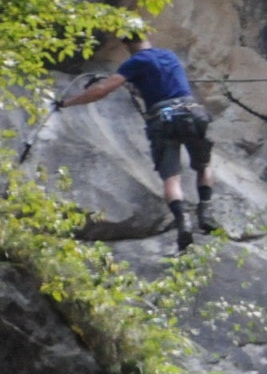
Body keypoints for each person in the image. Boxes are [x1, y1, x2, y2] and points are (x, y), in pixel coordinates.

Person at [55, 25, 215, 251]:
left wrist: (67, 102)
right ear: (146, 34)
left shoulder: (134, 63)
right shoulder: (168, 56)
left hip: (163, 120)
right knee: (204, 166)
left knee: (171, 178)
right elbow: (164, 84)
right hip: (192, 113)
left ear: (125, 43)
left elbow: (102, 90)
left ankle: (184, 223)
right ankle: (205, 213)